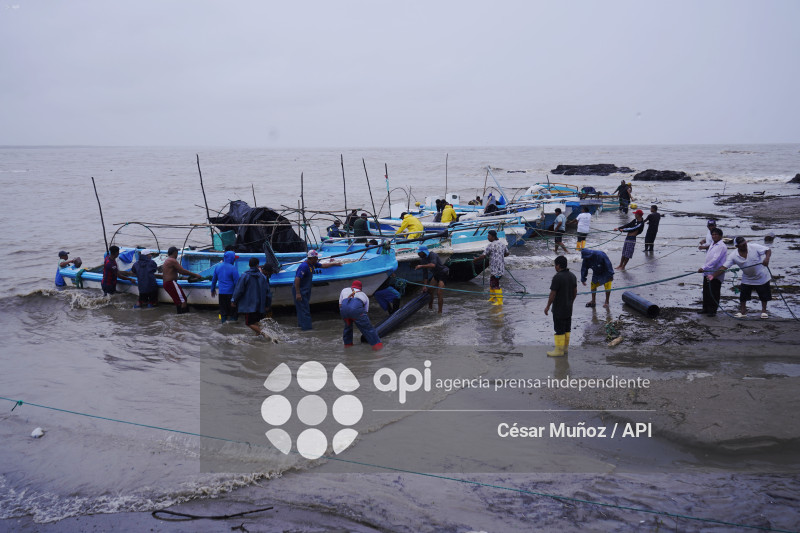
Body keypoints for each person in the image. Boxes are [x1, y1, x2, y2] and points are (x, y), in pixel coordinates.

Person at [713, 236, 772, 319]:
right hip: (747, 278)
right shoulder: (733, 255)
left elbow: (768, 250)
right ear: (737, 246)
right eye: (742, 245)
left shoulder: (754, 247)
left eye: (745, 244)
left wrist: (767, 259)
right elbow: (724, 267)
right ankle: (743, 312)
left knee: (764, 295)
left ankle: (764, 311)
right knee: (743, 296)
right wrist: (713, 276)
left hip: (761, 276)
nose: (745, 246)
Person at [293, 250, 342, 330]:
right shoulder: (304, 266)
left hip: (306, 289)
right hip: (300, 290)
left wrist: (334, 264)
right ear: (311, 258)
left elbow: (323, 265)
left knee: (303, 309)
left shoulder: (313, 264)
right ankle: (307, 330)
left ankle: (302, 327)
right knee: (305, 310)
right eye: (316, 258)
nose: (317, 259)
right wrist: (298, 293)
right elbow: (297, 279)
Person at [231, 257, 273, 339]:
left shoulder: (245, 276)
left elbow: (239, 290)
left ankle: (265, 334)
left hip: (249, 306)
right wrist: (268, 305)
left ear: (249, 265)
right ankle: (258, 340)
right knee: (256, 322)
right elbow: (268, 293)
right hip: (260, 306)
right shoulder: (263, 277)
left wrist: (234, 300)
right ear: (257, 265)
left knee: (249, 323)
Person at [544, 255, 577, 357]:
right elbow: (575, 291)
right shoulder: (572, 276)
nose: (555, 267)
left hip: (559, 308)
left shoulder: (557, 277)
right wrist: (571, 302)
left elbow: (552, 294)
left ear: (558, 265)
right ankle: (565, 349)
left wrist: (547, 306)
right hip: (569, 307)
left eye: (555, 265)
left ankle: (559, 350)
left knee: (559, 329)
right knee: (567, 328)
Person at [339, 280, 383, 350]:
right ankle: (378, 348)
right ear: (360, 288)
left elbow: (340, 305)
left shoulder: (344, 290)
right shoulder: (364, 295)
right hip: (356, 310)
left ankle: (347, 347)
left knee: (347, 328)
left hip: (344, 310)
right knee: (368, 329)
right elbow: (365, 312)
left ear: (352, 286)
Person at [472, 230, 509, 306]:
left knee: (495, 284)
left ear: (493, 237)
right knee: (492, 282)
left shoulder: (490, 245)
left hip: (495, 268)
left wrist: (476, 259)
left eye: (489, 236)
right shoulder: (502, 244)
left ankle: (499, 301)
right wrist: (500, 255)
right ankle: (492, 298)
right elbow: (507, 253)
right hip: (500, 267)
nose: (488, 237)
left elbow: (483, 255)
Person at [162, 246, 201, 314]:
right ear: (175, 253)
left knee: (179, 301)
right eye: (177, 253)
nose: (177, 254)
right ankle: (183, 316)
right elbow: (182, 271)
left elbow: (176, 273)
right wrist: (195, 275)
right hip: (171, 283)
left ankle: (180, 316)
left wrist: (187, 278)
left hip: (166, 283)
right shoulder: (172, 260)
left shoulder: (167, 260)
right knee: (183, 300)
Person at [697, 227, 726, 317]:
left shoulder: (721, 246)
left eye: (716, 234)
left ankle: (712, 310)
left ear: (720, 236)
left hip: (715, 273)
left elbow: (715, 259)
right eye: (712, 234)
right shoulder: (712, 244)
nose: (714, 236)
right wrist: (705, 268)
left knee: (714, 291)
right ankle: (705, 308)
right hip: (707, 271)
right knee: (706, 291)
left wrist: (703, 267)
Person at [415, 246, 448, 313]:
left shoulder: (433, 255)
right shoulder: (423, 260)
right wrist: (424, 285)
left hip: (443, 273)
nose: (418, 254)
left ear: (423, 252)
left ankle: (440, 312)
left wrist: (421, 266)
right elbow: (425, 274)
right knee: (430, 291)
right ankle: (430, 308)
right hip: (436, 275)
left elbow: (433, 265)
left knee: (439, 293)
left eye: (419, 253)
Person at [211, 250, 240, 323]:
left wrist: (212, 290)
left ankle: (223, 325)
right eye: (234, 258)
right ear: (231, 259)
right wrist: (238, 295)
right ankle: (232, 327)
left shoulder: (218, 267)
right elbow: (237, 284)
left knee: (223, 312)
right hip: (231, 294)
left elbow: (214, 280)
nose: (235, 260)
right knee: (233, 313)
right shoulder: (233, 268)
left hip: (221, 294)